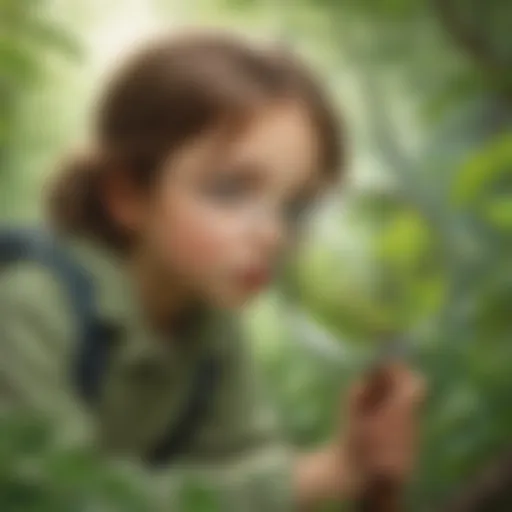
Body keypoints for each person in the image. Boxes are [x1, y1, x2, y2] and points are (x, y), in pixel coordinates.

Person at [0, 31, 425, 511]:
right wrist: (317, 476)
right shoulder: (28, 305)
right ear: (126, 195)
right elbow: (53, 500)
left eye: (297, 207)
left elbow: (249, 466)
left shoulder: (207, 326)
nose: (273, 235)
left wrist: (372, 478)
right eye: (229, 191)